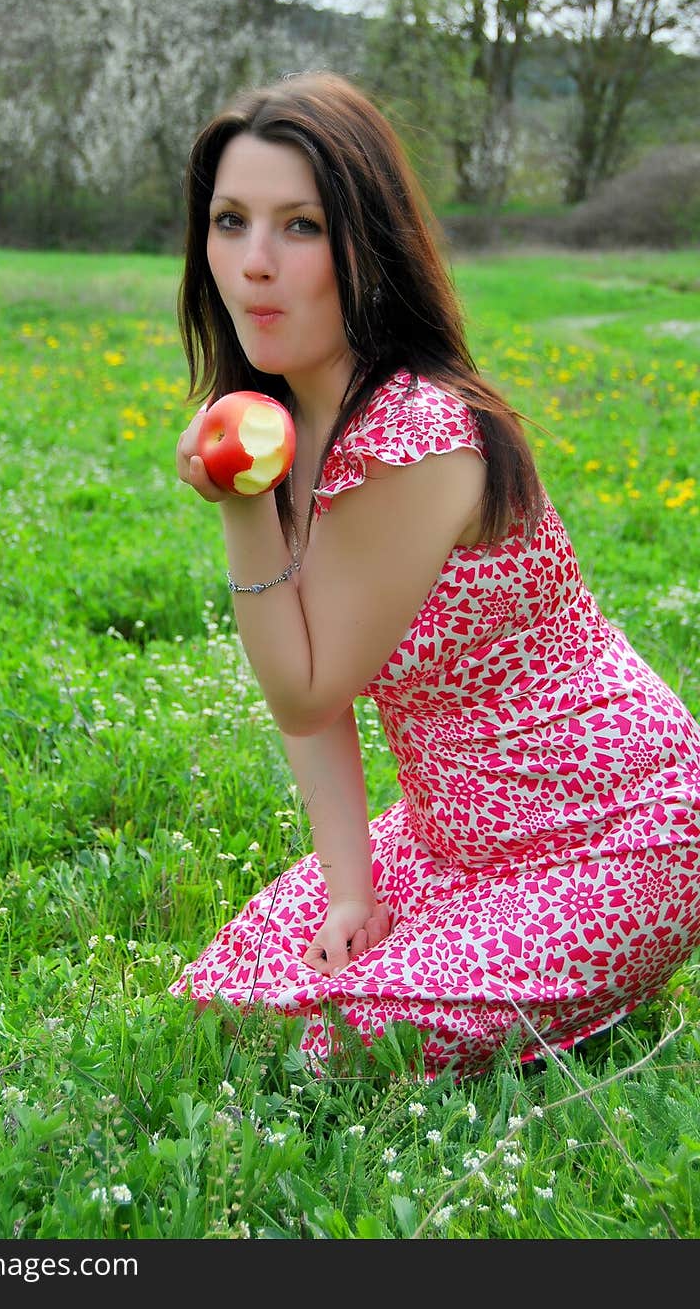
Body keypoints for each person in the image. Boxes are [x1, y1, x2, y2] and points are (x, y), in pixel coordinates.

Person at [169, 70, 700, 1079]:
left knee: (336, 1049)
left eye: (300, 227)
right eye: (230, 221)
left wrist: (240, 507)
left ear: (364, 244)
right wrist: (347, 891)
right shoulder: (291, 418)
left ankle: (615, 955)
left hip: (619, 834)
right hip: (451, 839)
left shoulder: (415, 434)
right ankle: (527, 970)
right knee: (226, 1003)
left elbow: (305, 684)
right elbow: (316, 697)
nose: (254, 264)